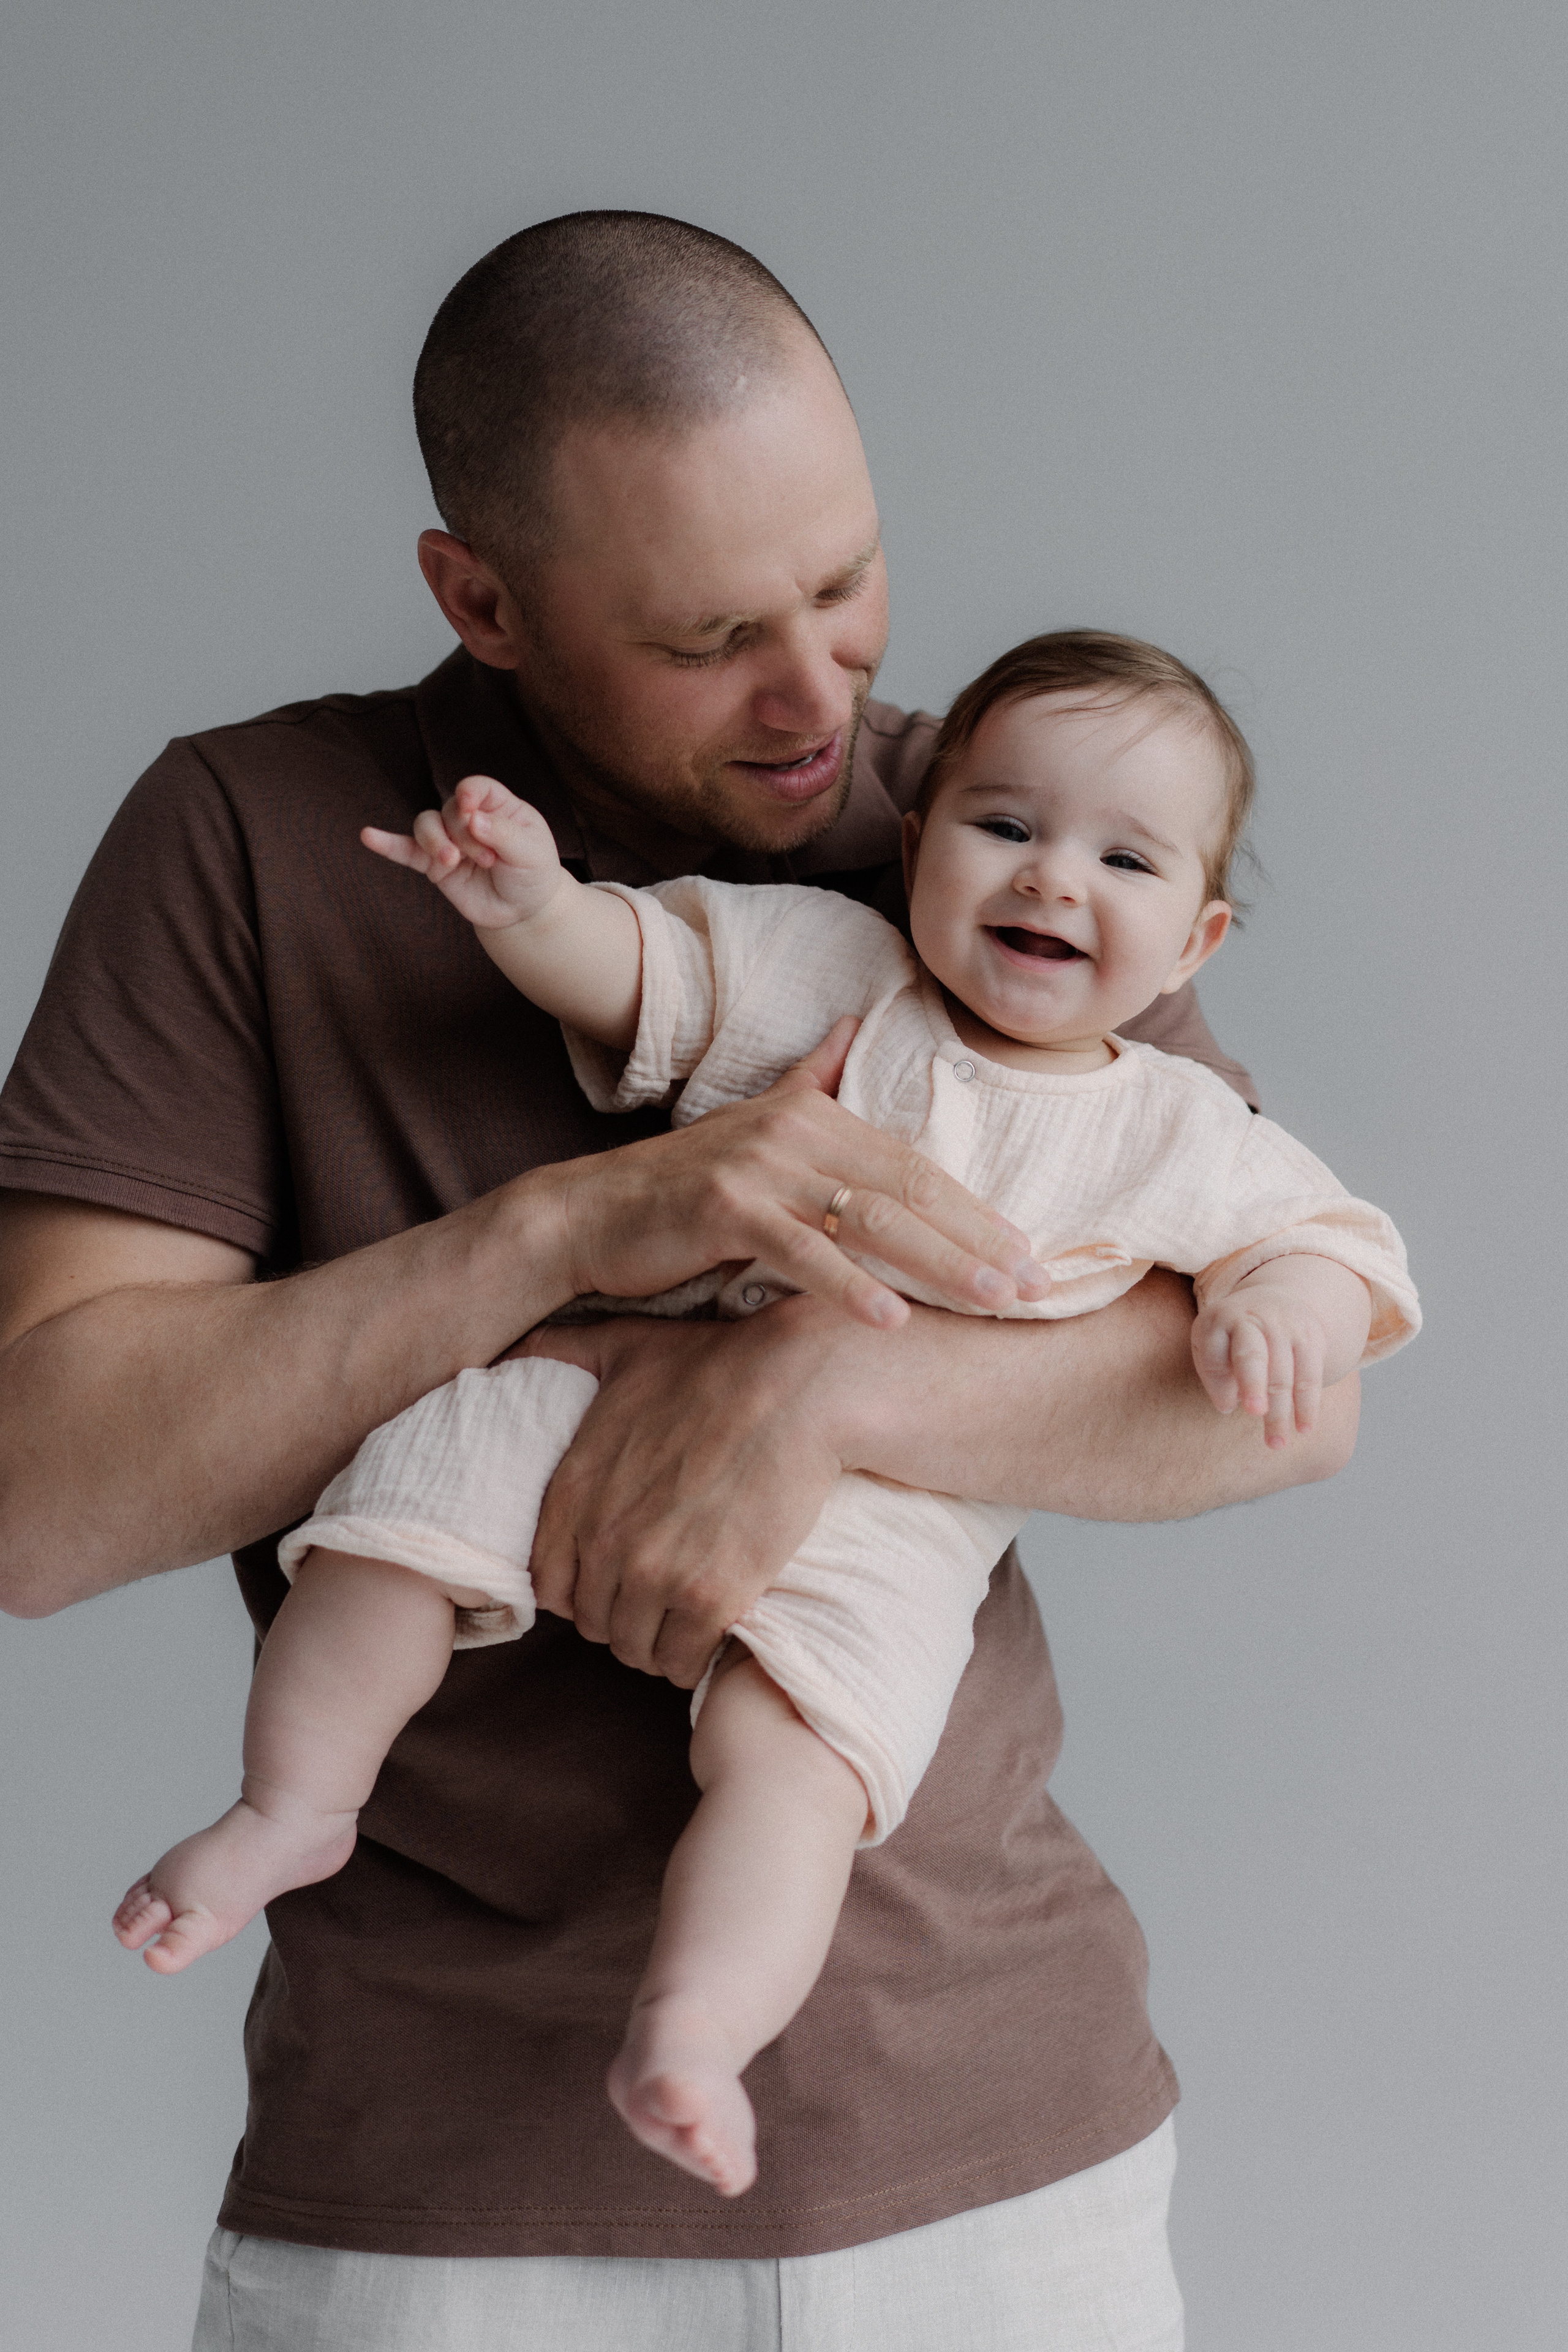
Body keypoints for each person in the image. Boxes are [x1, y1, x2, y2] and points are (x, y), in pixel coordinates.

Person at [0, 215, 1362, 2350]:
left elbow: (1264, 1381)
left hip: (989, 2138)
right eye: (717, 633)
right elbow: (37, 1495)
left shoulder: (1008, 827)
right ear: (482, 601)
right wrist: (566, 1238)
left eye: (845, 584)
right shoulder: (253, 842)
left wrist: (809, 1396)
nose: (822, 700)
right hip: (434, 2187)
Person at [111, 627, 1419, 2210]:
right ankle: (292, 1807)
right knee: (409, 1501)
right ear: (924, 844)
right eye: (1004, 829)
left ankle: (696, 2028)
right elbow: (650, 972)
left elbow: (1327, 1245)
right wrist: (531, 907)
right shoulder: (845, 977)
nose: (1051, 882)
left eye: (1123, 860)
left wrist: (1285, 1304)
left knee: (793, 1759)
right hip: (621, 1365)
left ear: (1196, 939)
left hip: (899, 1514)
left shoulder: (1176, 1125)